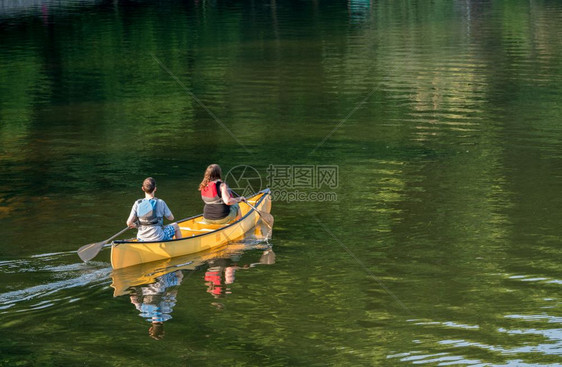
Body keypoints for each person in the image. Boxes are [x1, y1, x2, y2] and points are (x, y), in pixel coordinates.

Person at [126, 177, 182, 241]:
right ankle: (180, 246)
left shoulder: (137, 203)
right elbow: (171, 218)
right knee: (176, 226)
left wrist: (136, 225)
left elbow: (129, 223)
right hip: (158, 237)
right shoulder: (161, 202)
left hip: (141, 238)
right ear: (155, 189)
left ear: (142, 188)